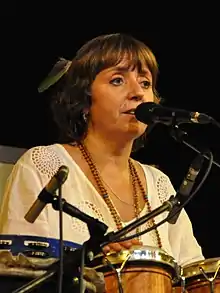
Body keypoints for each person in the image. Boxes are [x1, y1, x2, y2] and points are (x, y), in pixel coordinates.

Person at [0, 33, 204, 273]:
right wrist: (93, 261)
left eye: (145, 83)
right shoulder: (44, 165)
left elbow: (195, 275)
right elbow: (20, 270)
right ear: (84, 100)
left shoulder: (160, 185)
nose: (137, 92)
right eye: (118, 80)